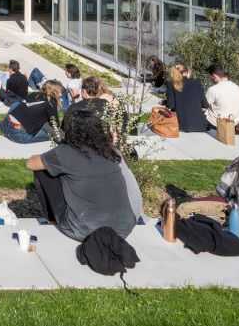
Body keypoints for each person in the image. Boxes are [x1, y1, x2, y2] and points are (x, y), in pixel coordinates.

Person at [25, 102, 138, 241]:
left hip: (84, 230)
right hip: (124, 228)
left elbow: (30, 163)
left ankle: (52, 219)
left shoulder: (66, 152)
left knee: (43, 171)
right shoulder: (110, 151)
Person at [165, 64, 208, 133]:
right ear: (186, 72)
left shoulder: (170, 84)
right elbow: (205, 104)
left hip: (182, 125)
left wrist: (165, 102)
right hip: (200, 125)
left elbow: (171, 105)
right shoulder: (197, 82)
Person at [204, 62, 239, 129]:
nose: (210, 79)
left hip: (216, 123)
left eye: (210, 77)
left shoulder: (213, 89)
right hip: (234, 122)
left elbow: (204, 106)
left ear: (214, 76)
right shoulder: (238, 88)